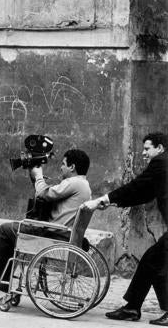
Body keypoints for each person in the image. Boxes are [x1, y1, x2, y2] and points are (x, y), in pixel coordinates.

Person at [84, 132, 168, 325]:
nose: (144, 153)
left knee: (155, 261)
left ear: (160, 148)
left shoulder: (161, 163)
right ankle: (132, 307)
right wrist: (112, 202)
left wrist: (103, 199)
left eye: (147, 149)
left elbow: (135, 187)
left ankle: (134, 308)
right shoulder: (163, 167)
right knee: (151, 260)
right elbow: (143, 193)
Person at [0, 149, 91, 290]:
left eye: (63, 164)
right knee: (15, 229)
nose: (61, 167)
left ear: (72, 167)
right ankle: (4, 278)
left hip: (52, 235)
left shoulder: (74, 183)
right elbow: (47, 194)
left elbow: (44, 194)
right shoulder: (83, 185)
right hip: (62, 234)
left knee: (6, 230)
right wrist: (38, 179)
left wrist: (38, 176)